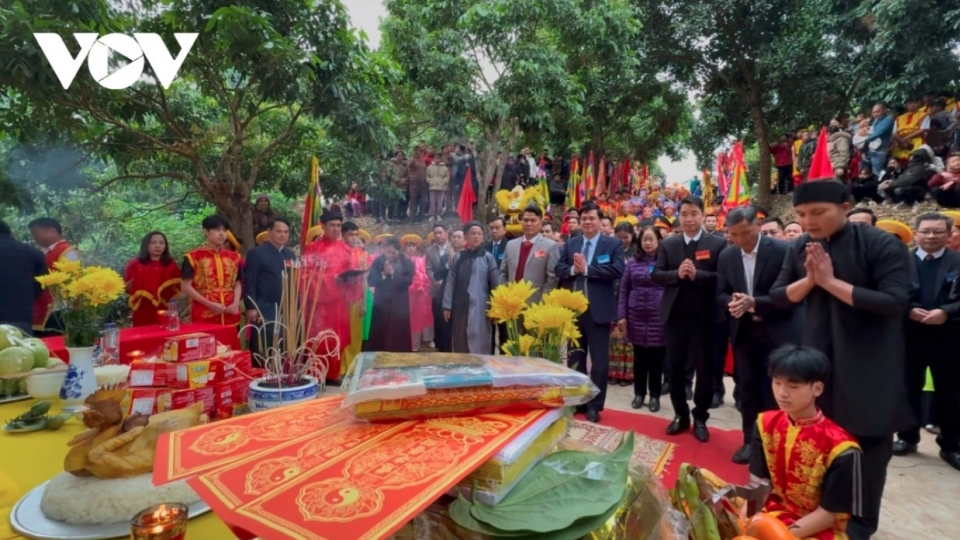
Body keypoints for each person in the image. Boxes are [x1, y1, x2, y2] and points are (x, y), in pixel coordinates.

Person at [770, 179, 912, 539]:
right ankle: (818, 515)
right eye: (802, 214)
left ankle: (860, 526)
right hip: (819, 358)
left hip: (869, 363)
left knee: (867, 447)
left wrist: (831, 282)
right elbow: (779, 296)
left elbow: (895, 303)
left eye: (818, 212)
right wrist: (810, 281)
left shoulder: (880, 244)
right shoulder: (801, 245)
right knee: (817, 440)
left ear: (846, 207)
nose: (809, 222)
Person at [748, 346, 863, 540]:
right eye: (777, 383)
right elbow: (758, 484)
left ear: (817, 389)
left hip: (816, 527)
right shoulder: (765, 423)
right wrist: (748, 521)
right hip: (770, 511)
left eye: (793, 387)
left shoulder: (842, 448)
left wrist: (778, 535)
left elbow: (827, 515)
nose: (782, 393)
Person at [717, 207, 798, 464]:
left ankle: (777, 443)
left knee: (777, 389)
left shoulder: (782, 250)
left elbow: (792, 294)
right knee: (748, 387)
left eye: (747, 233)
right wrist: (732, 301)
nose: (742, 240)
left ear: (757, 225)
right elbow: (720, 292)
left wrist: (756, 302)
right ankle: (750, 441)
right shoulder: (727, 256)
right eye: (735, 235)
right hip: (744, 331)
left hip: (777, 329)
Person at [653, 195, 726, 441]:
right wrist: (677, 274)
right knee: (674, 368)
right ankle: (680, 415)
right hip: (675, 317)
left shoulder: (716, 243)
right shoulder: (669, 244)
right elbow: (657, 274)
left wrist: (699, 275)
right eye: (684, 214)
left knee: (704, 370)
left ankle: (700, 417)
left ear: (703, 215)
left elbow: (723, 278)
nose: (689, 219)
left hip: (705, 318)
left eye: (694, 213)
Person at [893, 212, 960, 471]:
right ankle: (907, 438)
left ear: (949, 234)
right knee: (908, 389)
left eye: (938, 231)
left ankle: (951, 445)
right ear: (916, 232)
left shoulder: (957, 261)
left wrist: (947, 312)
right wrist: (908, 309)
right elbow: (891, 292)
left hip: (949, 338)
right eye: (926, 231)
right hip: (910, 337)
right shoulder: (901, 262)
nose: (931, 236)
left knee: (950, 393)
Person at [556, 202, 625, 423]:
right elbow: (558, 268)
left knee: (599, 363)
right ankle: (578, 401)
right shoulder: (571, 243)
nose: (587, 222)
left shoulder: (612, 244)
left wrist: (587, 269)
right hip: (574, 312)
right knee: (575, 360)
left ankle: (595, 404)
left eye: (591, 218)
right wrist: (572, 270)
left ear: (599, 221)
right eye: (583, 218)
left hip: (599, 311)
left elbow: (617, 270)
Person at [302, 210, 356, 380]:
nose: (336, 229)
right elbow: (304, 275)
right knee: (318, 339)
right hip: (319, 304)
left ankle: (333, 375)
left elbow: (351, 275)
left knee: (337, 337)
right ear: (323, 226)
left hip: (339, 304)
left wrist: (352, 279)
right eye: (332, 225)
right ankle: (315, 375)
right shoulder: (311, 249)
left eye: (339, 225)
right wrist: (332, 280)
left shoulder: (346, 249)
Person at [618, 225, 666, 413]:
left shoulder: (665, 262)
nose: (647, 243)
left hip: (658, 316)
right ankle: (639, 393)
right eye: (644, 239)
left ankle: (655, 395)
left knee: (656, 360)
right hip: (636, 315)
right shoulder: (632, 263)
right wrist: (622, 315)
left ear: (658, 241)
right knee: (638, 359)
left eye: (651, 239)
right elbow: (624, 290)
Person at [243, 218, 295, 362]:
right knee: (263, 339)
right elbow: (250, 281)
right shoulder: (257, 253)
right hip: (263, 305)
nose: (282, 235)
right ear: (269, 232)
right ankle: (261, 374)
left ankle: (282, 373)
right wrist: (251, 306)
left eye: (286, 232)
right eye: (278, 231)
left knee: (284, 340)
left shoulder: (290, 255)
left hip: (285, 305)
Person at [443, 222, 500, 354]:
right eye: (473, 234)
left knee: (480, 337)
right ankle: (462, 365)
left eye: (479, 234)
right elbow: (450, 282)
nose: (476, 237)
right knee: (460, 336)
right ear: (466, 237)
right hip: (460, 305)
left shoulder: (488, 258)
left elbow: (495, 284)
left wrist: (496, 307)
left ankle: (481, 365)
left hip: (481, 305)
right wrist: (447, 306)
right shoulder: (459, 257)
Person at [181, 215, 243, 327]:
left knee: (231, 342)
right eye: (217, 230)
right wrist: (209, 304)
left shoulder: (234, 257)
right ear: (206, 231)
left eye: (224, 230)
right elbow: (185, 286)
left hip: (230, 310)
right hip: (204, 311)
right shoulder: (193, 257)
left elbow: (237, 283)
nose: (222, 234)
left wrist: (236, 302)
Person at [28, 217, 80, 336]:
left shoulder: (67, 252)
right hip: (43, 306)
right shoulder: (46, 251)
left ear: (52, 231)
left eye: (35, 233)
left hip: (58, 308)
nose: (34, 237)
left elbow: (72, 282)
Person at [499, 205, 559, 305]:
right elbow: (503, 273)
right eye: (525, 220)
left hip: (535, 302)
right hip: (511, 301)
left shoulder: (550, 246)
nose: (528, 224)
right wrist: (502, 296)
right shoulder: (510, 245)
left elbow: (552, 278)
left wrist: (543, 302)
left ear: (540, 223)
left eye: (533, 220)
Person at [366, 236, 415, 352]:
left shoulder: (406, 262)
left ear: (398, 250)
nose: (390, 255)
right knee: (380, 328)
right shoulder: (378, 261)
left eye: (393, 252)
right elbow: (371, 280)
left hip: (399, 302)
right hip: (381, 301)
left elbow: (408, 281)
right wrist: (383, 274)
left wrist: (393, 274)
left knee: (398, 328)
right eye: (388, 252)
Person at [124, 231, 182, 327]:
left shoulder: (171, 264)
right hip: (142, 309)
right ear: (146, 244)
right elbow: (127, 289)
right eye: (153, 243)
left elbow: (177, 289)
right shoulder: (135, 264)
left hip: (165, 308)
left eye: (161, 243)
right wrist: (141, 277)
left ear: (165, 246)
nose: (158, 246)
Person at [0, 220, 47, 335]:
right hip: (20, 316)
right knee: (20, 351)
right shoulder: (33, 253)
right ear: (10, 233)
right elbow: (42, 283)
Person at [403, 234, 433, 351]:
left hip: (420, 293)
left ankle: (419, 342)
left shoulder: (421, 260)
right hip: (405, 293)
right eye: (408, 246)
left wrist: (419, 278)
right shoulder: (401, 260)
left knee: (419, 317)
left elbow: (426, 275)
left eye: (413, 246)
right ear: (404, 248)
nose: (411, 248)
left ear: (417, 248)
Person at [425, 224, 453, 351]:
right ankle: (439, 345)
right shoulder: (430, 251)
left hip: (452, 290)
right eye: (435, 233)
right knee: (438, 319)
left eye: (440, 232)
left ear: (446, 232)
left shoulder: (453, 248)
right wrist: (437, 280)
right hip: (437, 290)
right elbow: (429, 269)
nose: (438, 235)